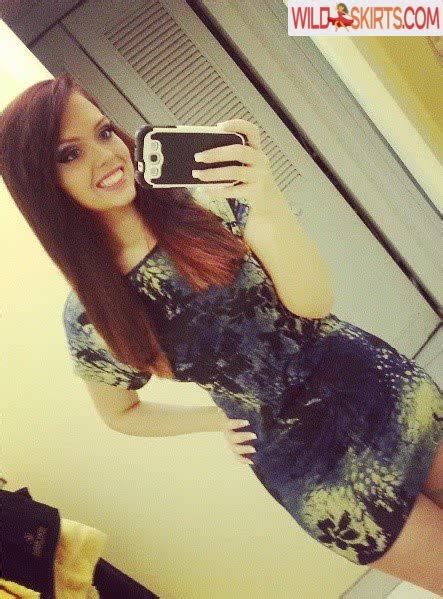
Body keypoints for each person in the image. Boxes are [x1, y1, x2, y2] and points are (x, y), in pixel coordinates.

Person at [1, 74, 441, 594]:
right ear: (41, 184)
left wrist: (266, 197)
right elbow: (120, 413)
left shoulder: (205, 207)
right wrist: (216, 419)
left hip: (379, 392)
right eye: (70, 153)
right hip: (314, 472)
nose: (106, 154)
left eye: (103, 132)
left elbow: (312, 304)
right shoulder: (91, 316)